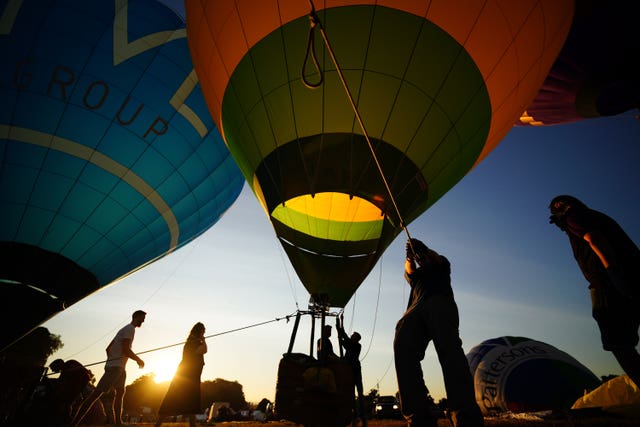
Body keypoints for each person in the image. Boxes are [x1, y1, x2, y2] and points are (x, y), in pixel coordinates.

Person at [549, 195, 640, 387]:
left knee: (619, 343)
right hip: (629, 278)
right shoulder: (596, 216)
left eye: (557, 207)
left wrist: (613, 274)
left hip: (609, 284)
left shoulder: (575, 216)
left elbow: (595, 239)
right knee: (625, 340)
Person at [394, 238, 483, 427]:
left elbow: (437, 259)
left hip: (439, 301)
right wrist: (409, 257)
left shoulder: (440, 266)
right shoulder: (416, 276)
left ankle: (465, 416)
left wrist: (424, 249)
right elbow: (409, 270)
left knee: (449, 353)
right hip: (415, 309)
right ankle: (418, 418)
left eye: (421, 257)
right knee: (403, 344)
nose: (420, 260)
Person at [70, 310, 146, 427]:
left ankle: (118, 423)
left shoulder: (124, 329)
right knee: (96, 395)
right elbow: (126, 349)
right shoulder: (130, 329)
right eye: (142, 318)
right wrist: (138, 360)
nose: (143, 321)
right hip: (115, 368)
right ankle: (74, 423)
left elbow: (108, 348)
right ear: (135, 317)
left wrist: (112, 360)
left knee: (120, 392)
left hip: (119, 368)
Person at [155, 322, 208, 427]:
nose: (204, 333)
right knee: (173, 398)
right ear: (200, 331)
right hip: (187, 376)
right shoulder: (193, 343)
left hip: (190, 376)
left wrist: (201, 340)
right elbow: (204, 350)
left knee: (191, 401)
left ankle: (192, 425)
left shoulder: (193, 341)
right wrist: (204, 341)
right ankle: (158, 424)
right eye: (203, 331)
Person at [336, 314, 366, 427]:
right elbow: (341, 332)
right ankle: (355, 416)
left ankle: (362, 416)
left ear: (355, 338)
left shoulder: (357, 346)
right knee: (352, 394)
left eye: (352, 335)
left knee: (360, 393)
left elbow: (346, 343)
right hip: (350, 372)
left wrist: (342, 340)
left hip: (356, 371)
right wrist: (340, 321)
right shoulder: (351, 343)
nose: (351, 335)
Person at [48, 359, 91, 424]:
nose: (53, 371)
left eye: (53, 368)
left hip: (81, 381)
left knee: (68, 400)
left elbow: (62, 381)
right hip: (78, 382)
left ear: (58, 365)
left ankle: (66, 419)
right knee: (67, 400)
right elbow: (60, 381)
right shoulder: (64, 370)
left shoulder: (70, 363)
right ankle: (66, 418)